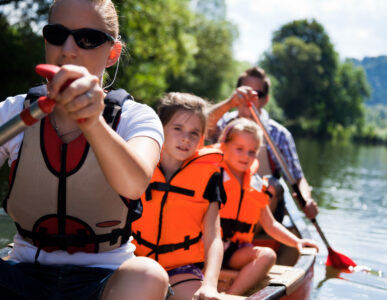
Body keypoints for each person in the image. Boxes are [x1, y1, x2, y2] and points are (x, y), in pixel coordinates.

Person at [0, 0, 169, 299]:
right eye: (56, 34)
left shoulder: (137, 118)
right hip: (21, 273)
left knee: (149, 274)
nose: (67, 49)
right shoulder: (13, 111)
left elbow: (134, 184)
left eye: (88, 39)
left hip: (105, 278)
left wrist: (92, 122)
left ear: (112, 53)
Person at [131, 92, 225, 300]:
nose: (185, 138)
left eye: (194, 133)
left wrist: (210, 285)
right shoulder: (139, 163)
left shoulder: (209, 177)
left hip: (181, 269)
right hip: (136, 261)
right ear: (160, 128)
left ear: (202, 138)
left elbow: (213, 237)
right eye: (177, 128)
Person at [216, 118, 319, 295]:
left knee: (268, 255)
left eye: (252, 152)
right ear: (224, 146)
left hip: (234, 252)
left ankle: (232, 296)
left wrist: (297, 242)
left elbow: (270, 224)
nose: (246, 156)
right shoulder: (212, 177)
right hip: (206, 247)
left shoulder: (255, 184)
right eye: (239, 149)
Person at [206, 66, 318, 220]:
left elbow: (297, 178)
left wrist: (306, 200)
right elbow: (199, 125)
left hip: (260, 211)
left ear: (266, 99)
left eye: (257, 94)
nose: (249, 98)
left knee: (271, 185)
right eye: (244, 91)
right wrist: (228, 103)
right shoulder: (222, 121)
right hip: (222, 203)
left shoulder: (279, 134)